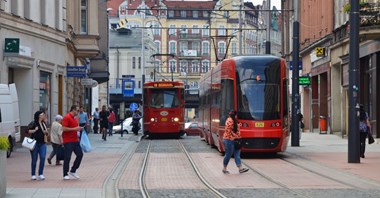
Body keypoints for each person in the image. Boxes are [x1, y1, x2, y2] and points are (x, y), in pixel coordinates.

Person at [62, 105, 83, 180]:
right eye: (77, 110)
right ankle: (65, 174)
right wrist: (75, 129)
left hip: (75, 140)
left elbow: (74, 129)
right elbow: (64, 128)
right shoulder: (67, 117)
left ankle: (73, 170)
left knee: (80, 154)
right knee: (67, 157)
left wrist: (79, 129)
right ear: (73, 110)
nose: (78, 112)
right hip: (68, 141)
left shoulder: (75, 118)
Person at [27, 111, 49, 180]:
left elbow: (46, 133)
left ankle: (40, 174)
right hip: (35, 143)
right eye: (42, 114)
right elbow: (27, 131)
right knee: (34, 159)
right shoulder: (34, 123)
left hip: (43, 143)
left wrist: (46, 132)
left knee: (42, 158)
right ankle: (33, 174)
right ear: (39, 116)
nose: (44, 115)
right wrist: (34, 130)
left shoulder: (43, 123)